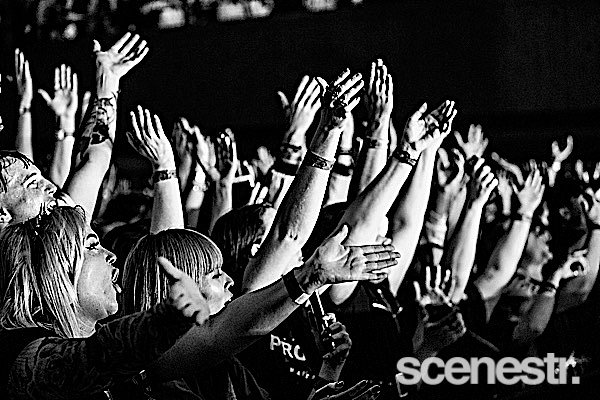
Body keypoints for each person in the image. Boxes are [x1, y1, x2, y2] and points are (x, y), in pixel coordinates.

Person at [0, 206, 211, 399]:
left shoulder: (115, 345)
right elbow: (91, 358)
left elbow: (213, 341)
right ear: (53, 269)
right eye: (92, 246)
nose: (111, 255)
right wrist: (167, 318)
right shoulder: (18, 347)